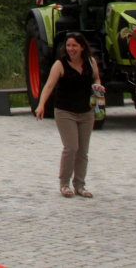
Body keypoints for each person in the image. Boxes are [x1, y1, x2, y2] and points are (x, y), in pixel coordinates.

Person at [35, 31, 103, 198]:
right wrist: (41, 105)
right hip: (65, 112)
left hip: (86, 112)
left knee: (83, 151)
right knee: (71, 147)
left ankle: (80, 185)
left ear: (82, 47)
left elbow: (96, 78)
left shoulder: (90, 62)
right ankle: (64, 184)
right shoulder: (60, 64)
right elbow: (49, 86)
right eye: (68, 45)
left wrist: (98, 86)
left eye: (74, 45)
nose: (71, 48)